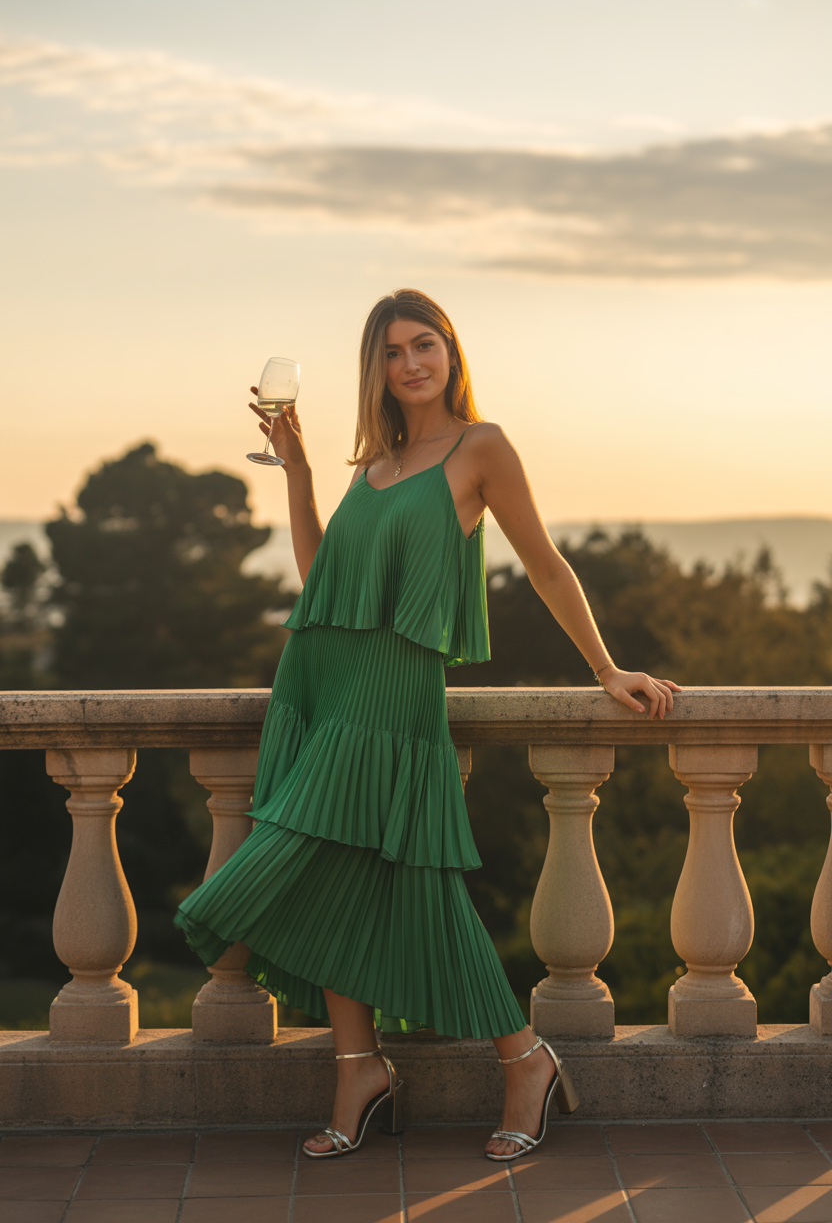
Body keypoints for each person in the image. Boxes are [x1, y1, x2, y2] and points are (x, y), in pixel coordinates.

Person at [175, 288, 680, 1162]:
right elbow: (319, 575)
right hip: (321, 683)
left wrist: (607, 669)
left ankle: (525, 1060)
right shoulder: (375, 466)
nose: (411, 364)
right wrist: (296, 471)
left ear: (451, 352)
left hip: (392, 698)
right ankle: (357, 1066)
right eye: (393, 353)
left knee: (402, 885)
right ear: (374, 370)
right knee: (331, 877)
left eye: (425, 346)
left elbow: (546, 564)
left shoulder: (481, 448)